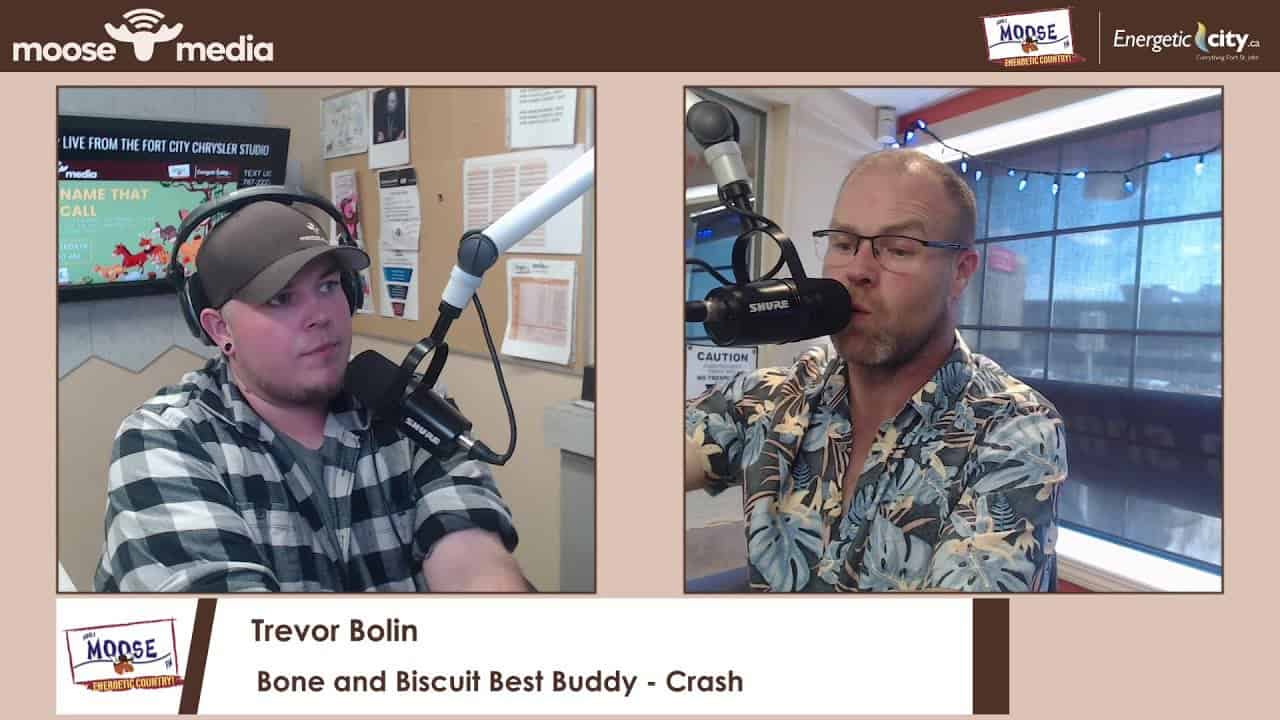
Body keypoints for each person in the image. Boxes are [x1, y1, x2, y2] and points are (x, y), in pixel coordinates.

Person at [95, 200, 528, 592]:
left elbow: (474, 564)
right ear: (220, 329)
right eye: (281, 298)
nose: (320, 316)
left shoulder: (407, 407)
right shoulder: (165, 438)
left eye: (328, 286)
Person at [685, 150, 1068, 592]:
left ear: (960, 273)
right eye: (844, 244)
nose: (858, 271)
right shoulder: (775, 398)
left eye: (898, 249)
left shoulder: (1014, 427)